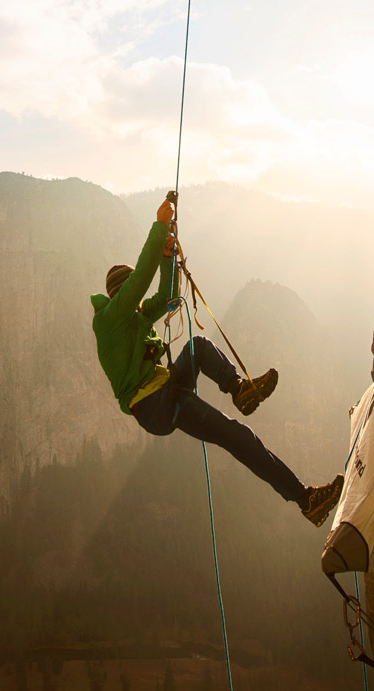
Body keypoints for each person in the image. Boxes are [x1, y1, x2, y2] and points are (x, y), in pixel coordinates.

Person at [91, 195, 344, 527]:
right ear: (120, 296)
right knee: (237, 436)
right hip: (155, 407)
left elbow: (167, 298)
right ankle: (305, 499)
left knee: (198, 346)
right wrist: (159, 227)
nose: (138, 304)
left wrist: (168, 256)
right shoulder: (110, 320)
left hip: (164, 393)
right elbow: (140, 281)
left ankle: (239, 390)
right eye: (131, 297)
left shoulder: (134, 318)